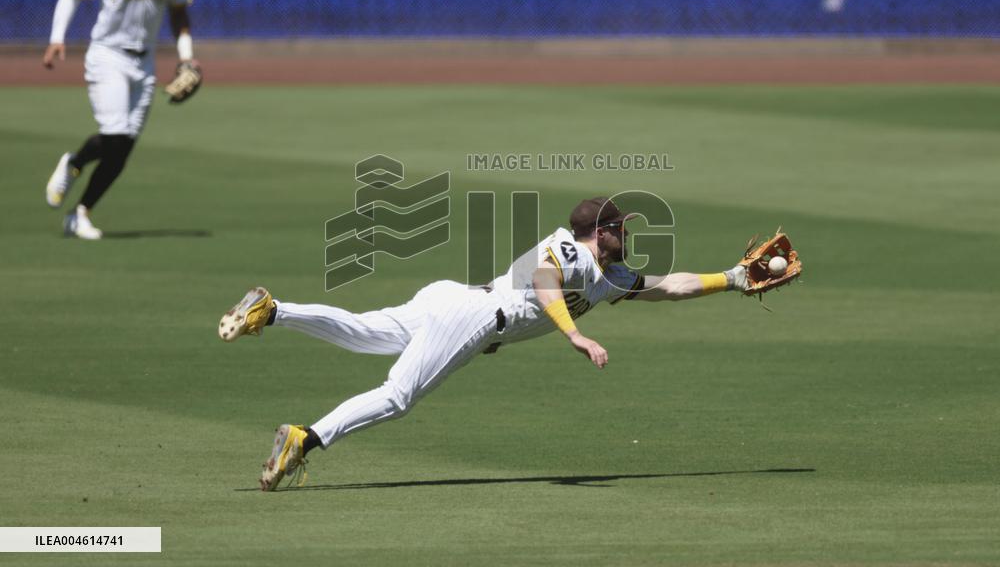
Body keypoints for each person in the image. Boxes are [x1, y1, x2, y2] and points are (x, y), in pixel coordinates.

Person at [218, 197, 751, 491]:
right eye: (622, 228)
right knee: (398, 396)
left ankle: (274, 309)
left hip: (455, 300)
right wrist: (575, 335)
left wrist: (730, 278)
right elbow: (544, 282)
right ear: (602, 232)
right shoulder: (569, 251)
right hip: (473, 315)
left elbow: (667, 285)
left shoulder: (606, 275)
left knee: (362, 333)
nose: (628, 235)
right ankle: (304, 440)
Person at [42, 0, 195, 239]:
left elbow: (179, 14)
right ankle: (74, 163)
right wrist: (56, 38)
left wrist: (187, 58)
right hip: (108, 54)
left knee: (123, 148)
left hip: (145, 62)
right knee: (115, 134)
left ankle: (80, 213)